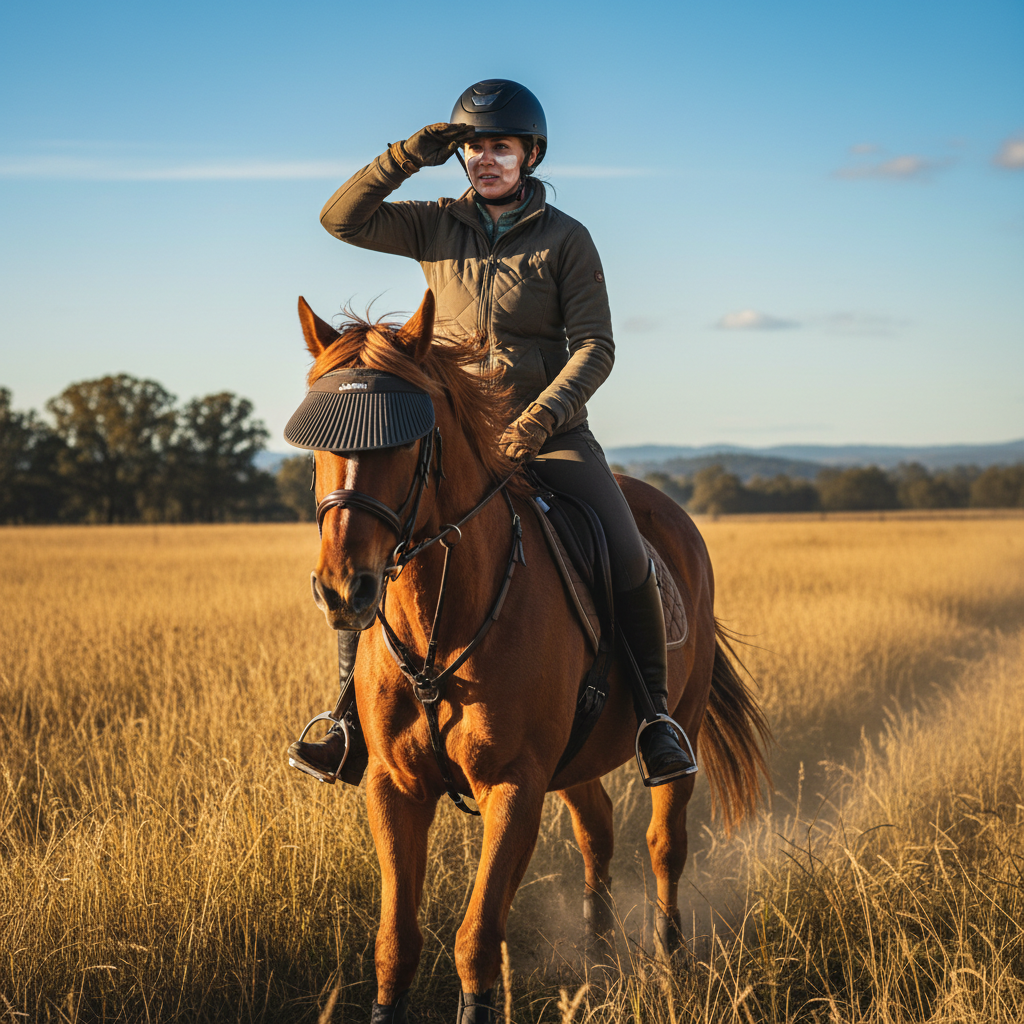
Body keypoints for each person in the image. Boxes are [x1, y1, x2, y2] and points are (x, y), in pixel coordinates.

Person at [288, 79, 695, 787]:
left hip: (550, 431)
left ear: (530, 155)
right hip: (452, 431)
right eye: (473, 147)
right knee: (375, 543)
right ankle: (349, 719)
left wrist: (539, 420)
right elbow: (341, 219)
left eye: (500, 147)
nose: (485, 159)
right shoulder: (434, 225)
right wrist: (409, 154)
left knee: (625, 550)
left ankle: (656, 718)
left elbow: (594, 347)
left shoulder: (567, 239)